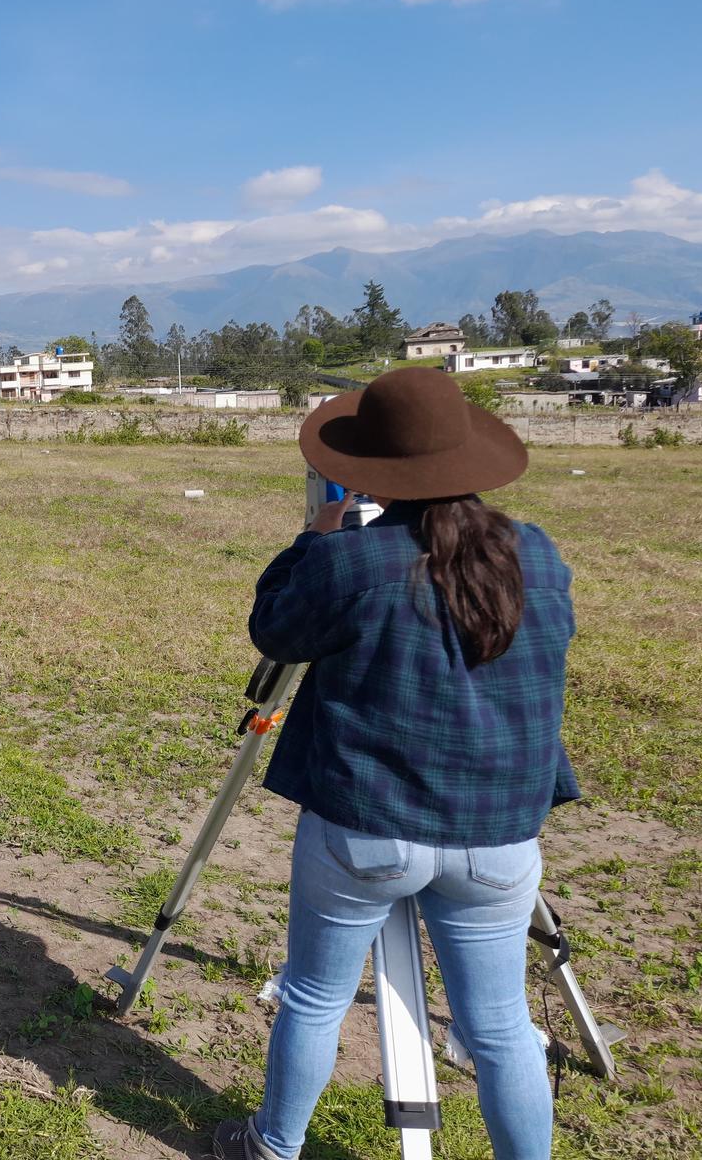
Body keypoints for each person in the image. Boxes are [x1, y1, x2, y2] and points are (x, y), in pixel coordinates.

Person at [214, 367, 577, 1160]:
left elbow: (276, 632)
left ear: (374, 469)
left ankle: (273, 1146)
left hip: (365, 831)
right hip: (502, 836)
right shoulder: (538, 555)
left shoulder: (351, 562)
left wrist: (313, 538)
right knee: (500, 1025)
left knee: (313, 996)